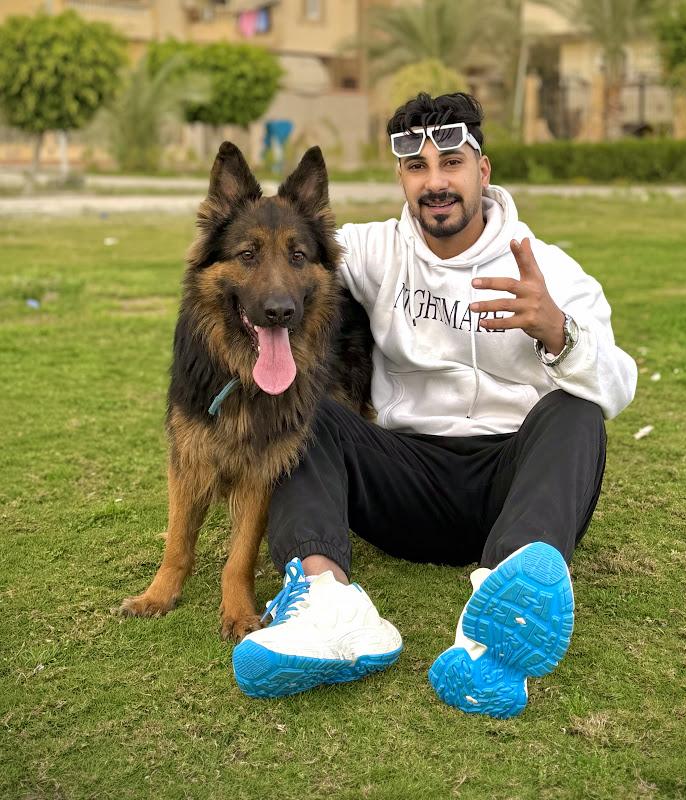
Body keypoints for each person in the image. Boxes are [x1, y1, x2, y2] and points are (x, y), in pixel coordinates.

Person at [232, 92, 637, 718]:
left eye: (451, 162)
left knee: (577, 409)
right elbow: (285, 249)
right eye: (416, 167)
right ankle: (328, 609)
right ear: (400, 177)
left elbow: (619, 385)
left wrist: (560, 332)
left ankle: (495, 634)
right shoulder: (371, 250)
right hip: (407, 478)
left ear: (483, 170)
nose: (435, 182)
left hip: (512, 482)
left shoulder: (549, 268)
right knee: (303, 409)